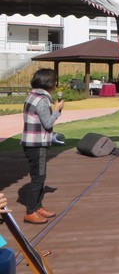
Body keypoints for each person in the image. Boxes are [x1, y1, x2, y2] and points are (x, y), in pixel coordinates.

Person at [21, 68, 65, 224]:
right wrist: (58, 110)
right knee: (38, 178)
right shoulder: (42, 100)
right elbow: (47, 123)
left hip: (31, 142)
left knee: (39, 176)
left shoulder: (32, 95)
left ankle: (38, 206)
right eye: (54, 81)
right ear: (50, 83)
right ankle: (30, 211)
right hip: (36, 144)